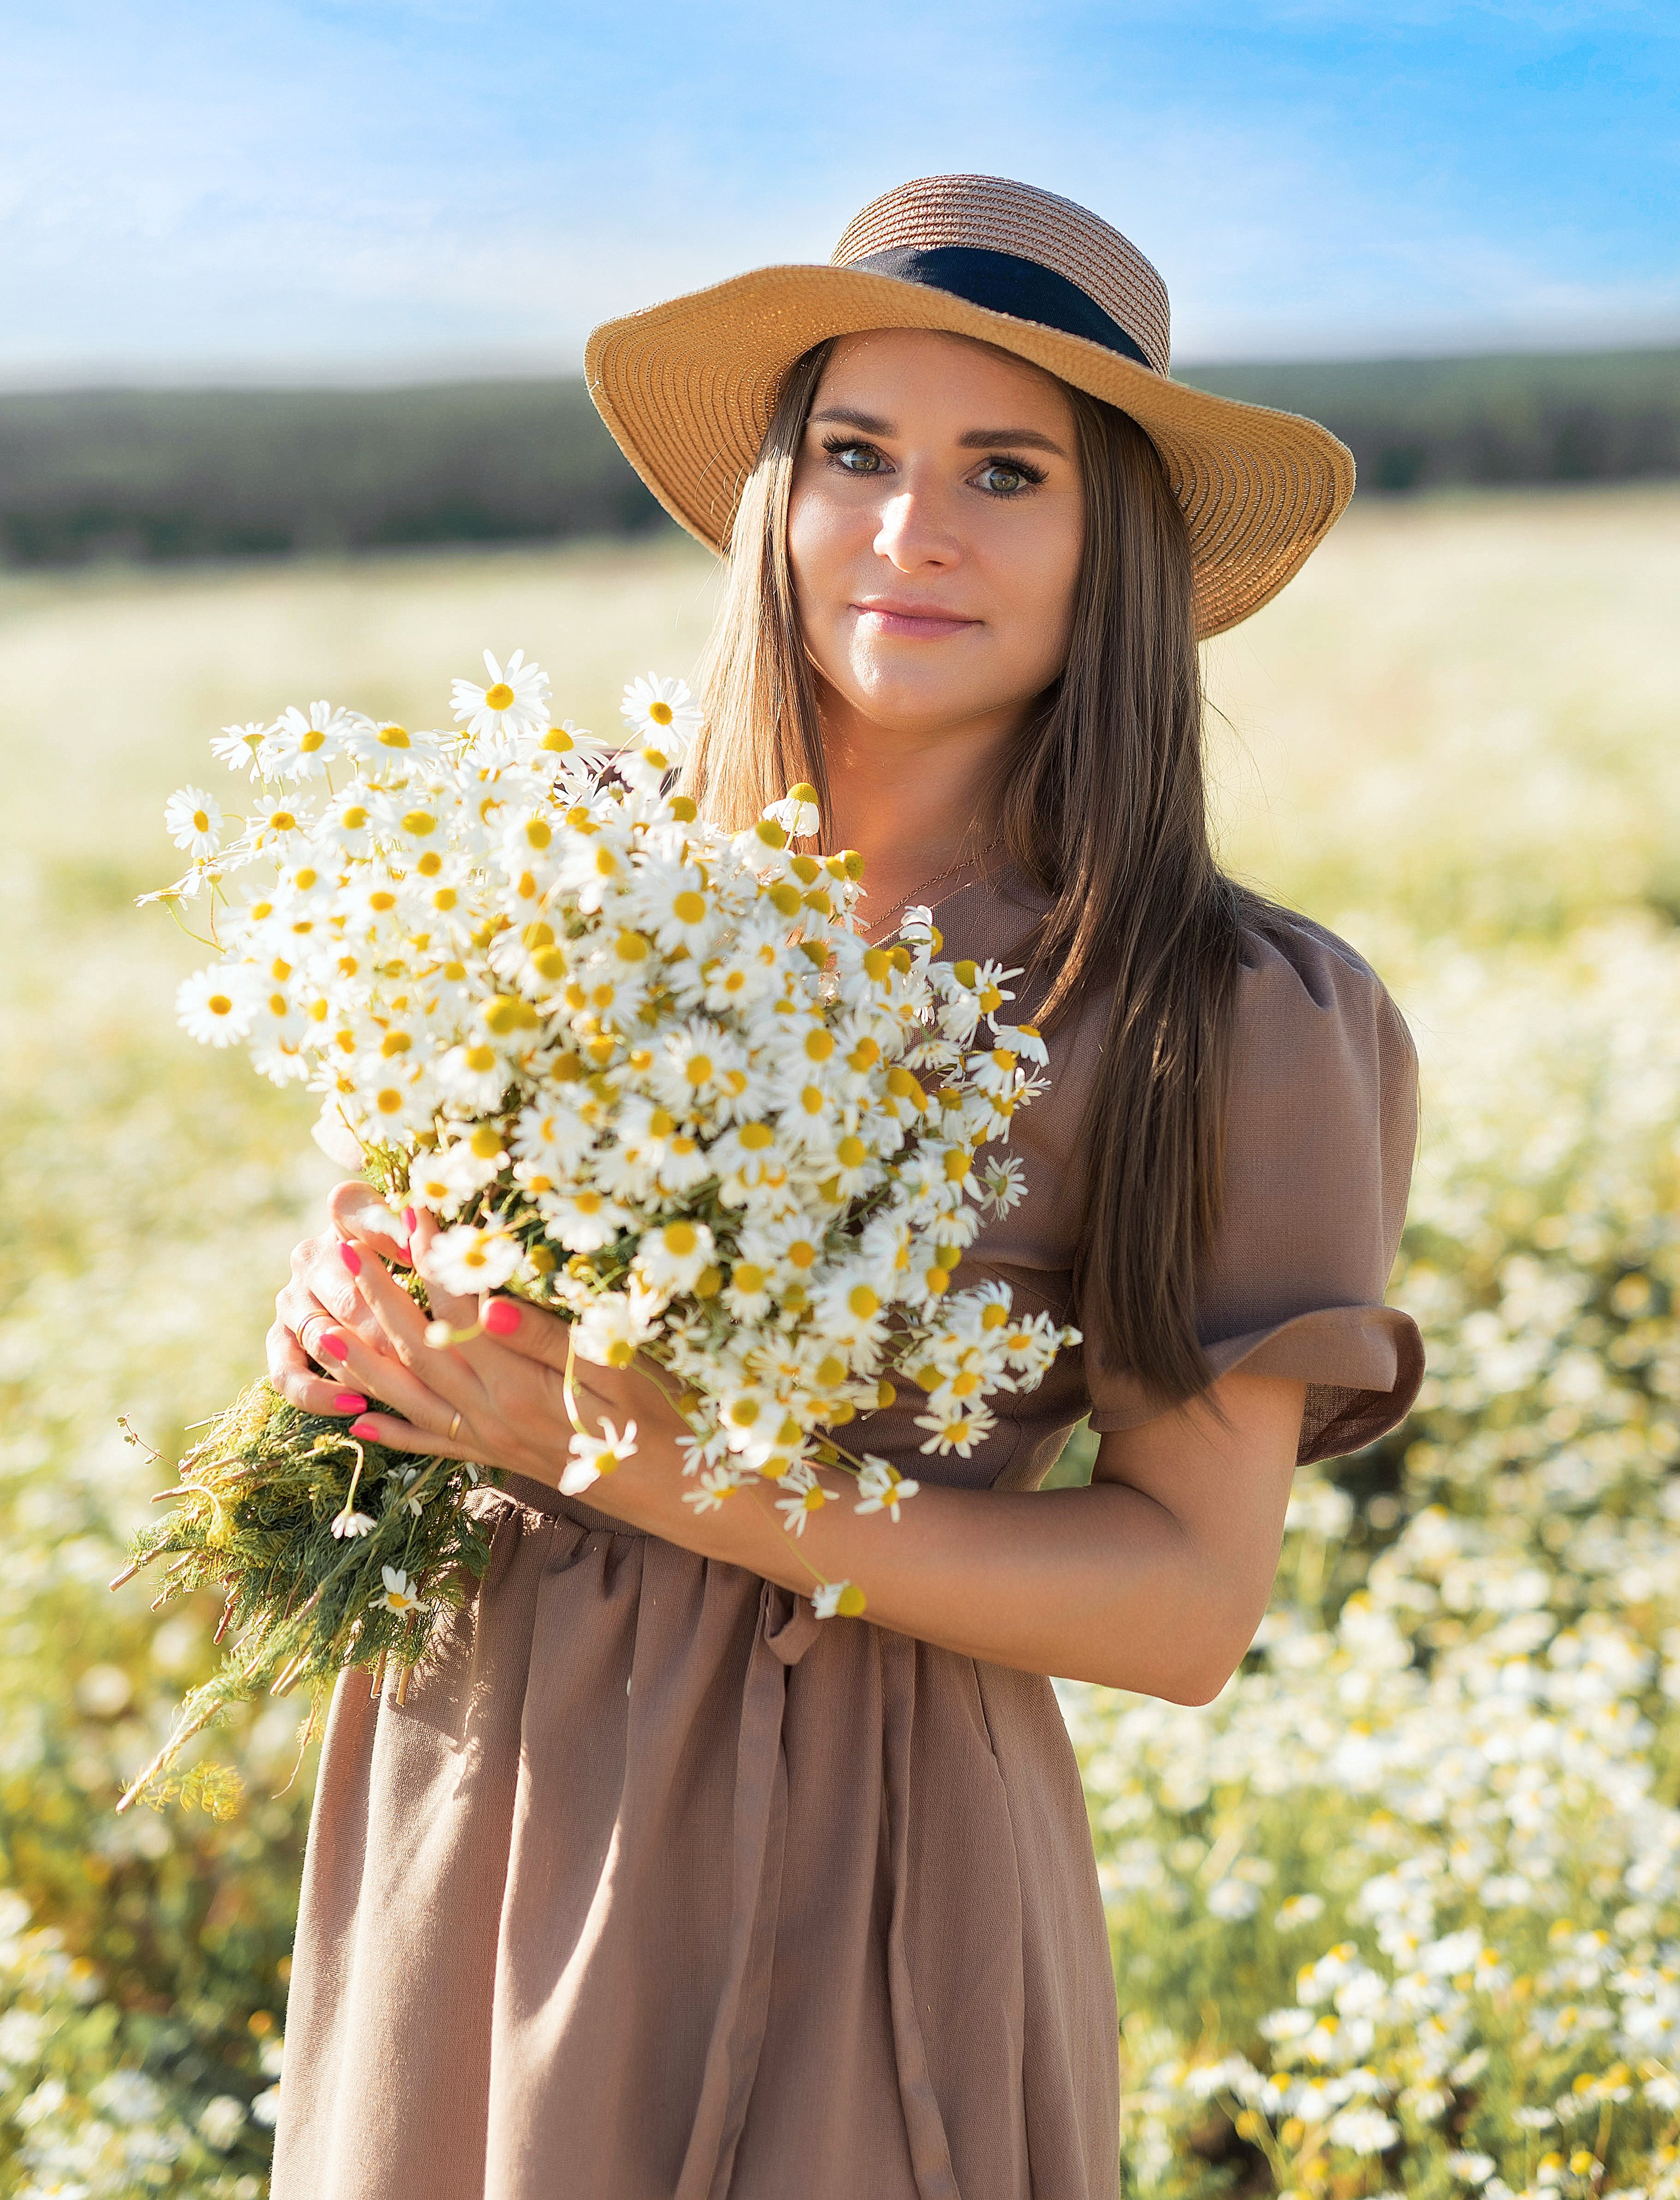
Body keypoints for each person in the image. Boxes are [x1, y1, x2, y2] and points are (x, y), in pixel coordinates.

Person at [266, 175, 1423, 2200]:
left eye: (1007, 471)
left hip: (867, 1860)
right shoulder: (560, 866)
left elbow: (1182, 1600)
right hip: (473, 1795)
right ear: (780, 499)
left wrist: (622, 1451)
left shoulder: (1212, 1012)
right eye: (858, 453)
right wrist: (349, 1328)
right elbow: (412, 1263)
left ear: (1112, 547)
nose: (914, 526)